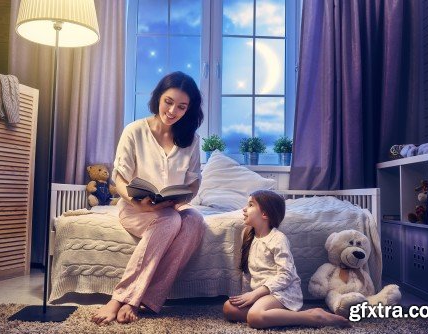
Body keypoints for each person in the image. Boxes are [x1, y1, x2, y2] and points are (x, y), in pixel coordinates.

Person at [91, 71, 205, 325]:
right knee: (170, 221)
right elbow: (119, 179)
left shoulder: (192, 140)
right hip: (135, 208)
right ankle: (123, 298)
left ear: (189, 109)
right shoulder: (134, 131)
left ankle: (148, 297)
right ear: (158, 98)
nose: (173, 110)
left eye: (182, 106)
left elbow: (195, 180)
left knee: (195, 221)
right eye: (168, 101)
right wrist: (135, 202)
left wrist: (182, 199)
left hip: (170, 208)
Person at [222, 190, 351, 329]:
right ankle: (271, 314)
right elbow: (248, 274)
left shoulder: (278, 239)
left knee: (254, 318)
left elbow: (286, 275)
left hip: (282, 292)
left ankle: (312, 316)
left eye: (251, 205)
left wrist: (255, 294)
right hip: (261, 294)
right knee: (229, 308)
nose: (244, 209)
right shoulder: (248, 234)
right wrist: (247, 295)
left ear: (265, 214)